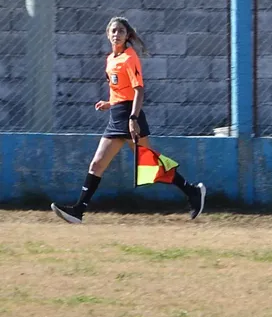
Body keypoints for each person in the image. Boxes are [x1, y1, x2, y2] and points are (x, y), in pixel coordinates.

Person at [50, 17, 207, 224]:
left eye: (121, 31)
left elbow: (138, 90)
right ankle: (78, 211)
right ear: (108, 34)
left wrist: (133, 118)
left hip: (129, 116)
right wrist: (109, 103)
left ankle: (193, 191)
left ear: (127, 35)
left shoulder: (129, 57)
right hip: (116, 116)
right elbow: (119, 89)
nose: (117, 34)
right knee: (97, 164)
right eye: (113, 31)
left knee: (150, 163)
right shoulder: (110, 59)